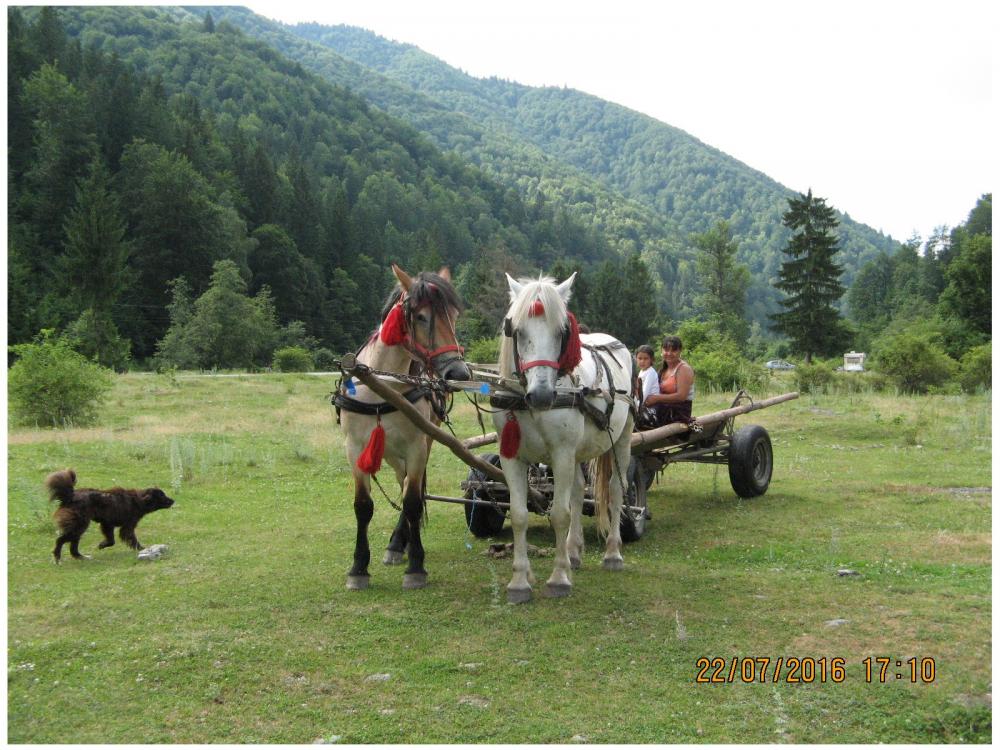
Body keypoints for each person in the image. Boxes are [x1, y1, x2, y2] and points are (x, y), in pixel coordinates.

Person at [639, 335, 696, 429]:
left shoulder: (683, 369)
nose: (669, 353)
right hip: (663, 409)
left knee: (642, 419)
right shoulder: (663, 369)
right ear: (661, 351)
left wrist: (656, 398)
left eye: (673, 350)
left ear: (680, 351)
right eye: (666, 350)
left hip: (678, 413)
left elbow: (681, 396)